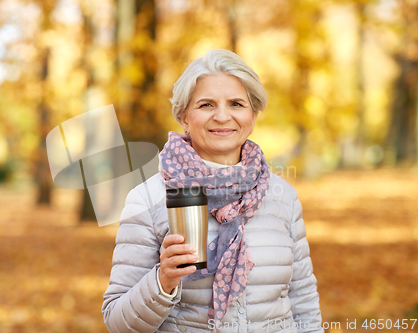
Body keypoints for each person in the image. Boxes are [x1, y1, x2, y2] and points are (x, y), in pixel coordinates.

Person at [102, 49, 323, 333]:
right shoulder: (147, 198)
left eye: (236, 104)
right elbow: (117, 323)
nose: (222, 116)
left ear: (253, 114)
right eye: (206, 105)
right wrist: (162, 281)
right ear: (183, 117)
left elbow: (304, 304)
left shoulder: (283, 196)